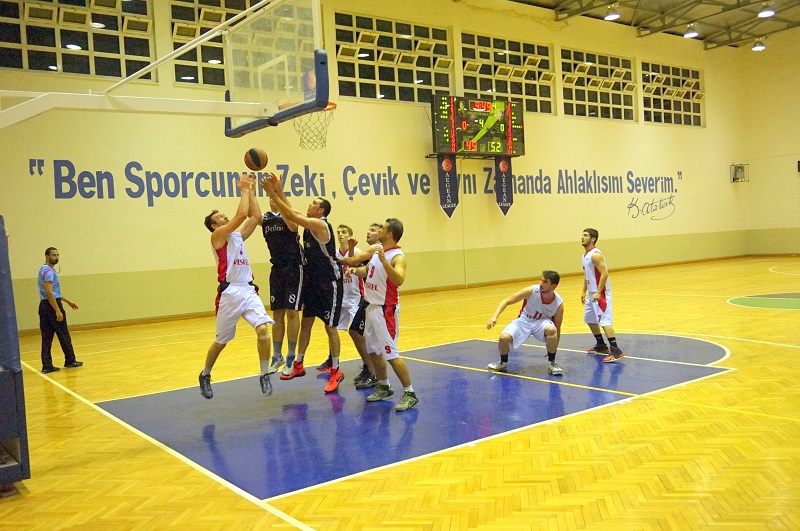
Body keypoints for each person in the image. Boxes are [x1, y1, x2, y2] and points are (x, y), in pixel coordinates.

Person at [261, 174, 344, 393]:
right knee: (306, 322)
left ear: (321, 210)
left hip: (329, 282)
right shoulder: (309, 222)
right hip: (312, 280)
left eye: (314, 203)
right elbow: (291, 212)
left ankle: (336, 369)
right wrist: (279, 190)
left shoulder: (319, 224)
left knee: (330, 327)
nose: (309, 204)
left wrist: (272, 193)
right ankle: (298, 363)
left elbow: (290, 214)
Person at [199, 173, 275, 399]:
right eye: (220, 217)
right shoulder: (218, 237)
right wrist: (244, 189)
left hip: (248, 289)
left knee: (263, 331)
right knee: (221, 341)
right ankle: (205, 374)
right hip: (230, 293)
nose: (224, 217)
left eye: (223, 215)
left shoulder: (238, 237)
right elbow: (242, 215)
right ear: (214, 226)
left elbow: (256, 216)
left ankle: (264, 374)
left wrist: (251, 191)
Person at [348, 218, 418, 411]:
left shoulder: (397, 257)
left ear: (389, 234)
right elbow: (368, 271)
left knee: (391, 354)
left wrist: (384, 262)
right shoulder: (379, 251)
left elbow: (399, 279)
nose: (378, 231)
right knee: (373, 351)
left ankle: (410, 393)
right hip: (371, 308)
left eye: (382, 229)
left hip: (385, 310)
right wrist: (354, 270)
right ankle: (384, 386)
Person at [258, 187, 303, 377]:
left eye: (276, 196)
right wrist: (249, 190)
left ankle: (291, 355)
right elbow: (252, 214)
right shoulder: (265, 219)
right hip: (276, 269)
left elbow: (292, 218)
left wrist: (279, 195)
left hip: (294, 268)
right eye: (270, 196)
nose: (272, 199)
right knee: (277, 313)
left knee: (292, 312)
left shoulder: (290, 216)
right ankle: (277, 356)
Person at [486, 270, 564, 376]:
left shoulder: (558, 303)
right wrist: (495, 316)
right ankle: (503, 362)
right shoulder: (531, 291)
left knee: (551, 330)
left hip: (541, 322)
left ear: (553, 286)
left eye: (545, 282)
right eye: (541, 280)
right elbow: (506, 301)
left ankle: (552, 363)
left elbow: (558, 327)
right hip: (524, 320)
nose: (541, 284)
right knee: (503, 338)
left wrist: (554, 349)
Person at [581, 228, 624, 362]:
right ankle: (601, 345)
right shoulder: (585, 256)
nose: (582, 237)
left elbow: (604, 274)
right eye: (582, 235)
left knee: (604, 320)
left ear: (593, 239)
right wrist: (584, 290)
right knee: (589, 319)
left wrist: (599, 292)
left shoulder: (596, 255)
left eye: (585, 235)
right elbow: (587, 275)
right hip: (591, 292)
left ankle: (616, 350)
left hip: (601, 293)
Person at [38, 247, 83, 373]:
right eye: (54, 255)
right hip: (52, 306)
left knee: (46, 337)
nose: (56, 257)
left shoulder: (43, 270)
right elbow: (49, 292)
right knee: (63, 334)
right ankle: (70, 360)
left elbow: (54, 293)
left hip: (44, 305)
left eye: (58, 255)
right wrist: (57, 310)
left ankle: (47, 365)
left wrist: (68, 301)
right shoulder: (48, 272)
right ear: (47, 256)